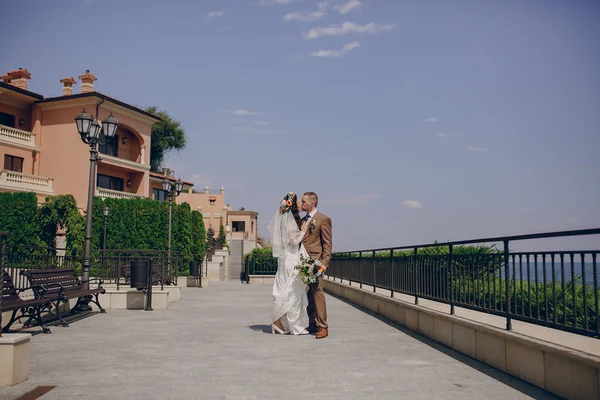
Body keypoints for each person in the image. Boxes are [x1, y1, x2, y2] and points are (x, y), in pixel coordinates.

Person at [268, 192, 310, 335]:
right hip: (291, 259)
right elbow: (292, 242)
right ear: (292, 206)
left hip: (284, 259)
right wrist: (303, 232)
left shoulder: (282, 221)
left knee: (283, 290)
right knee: (292, 291)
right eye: (298, 202)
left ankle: (278, 322)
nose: (300, 205)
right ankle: (293, 326)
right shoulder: (291, 222)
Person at [301, 191, 332, 339]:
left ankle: (323, 326)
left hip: (315, 262)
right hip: (303, 262)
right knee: (309, 294)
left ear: (312, 203)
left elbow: (327, 244)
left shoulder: (323, 219)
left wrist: (323, 264)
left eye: (304, 202)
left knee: (318, 293)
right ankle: (312, 323)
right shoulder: (303, 220)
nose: (301, 204)